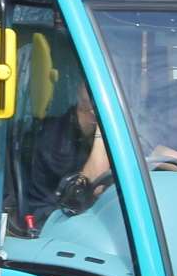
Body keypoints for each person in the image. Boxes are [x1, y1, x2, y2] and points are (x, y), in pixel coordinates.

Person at [21, 85, 110, 227]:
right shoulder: (55, 139)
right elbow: (93, 187)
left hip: (87, 214)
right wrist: (104, 129)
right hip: (50, 220)